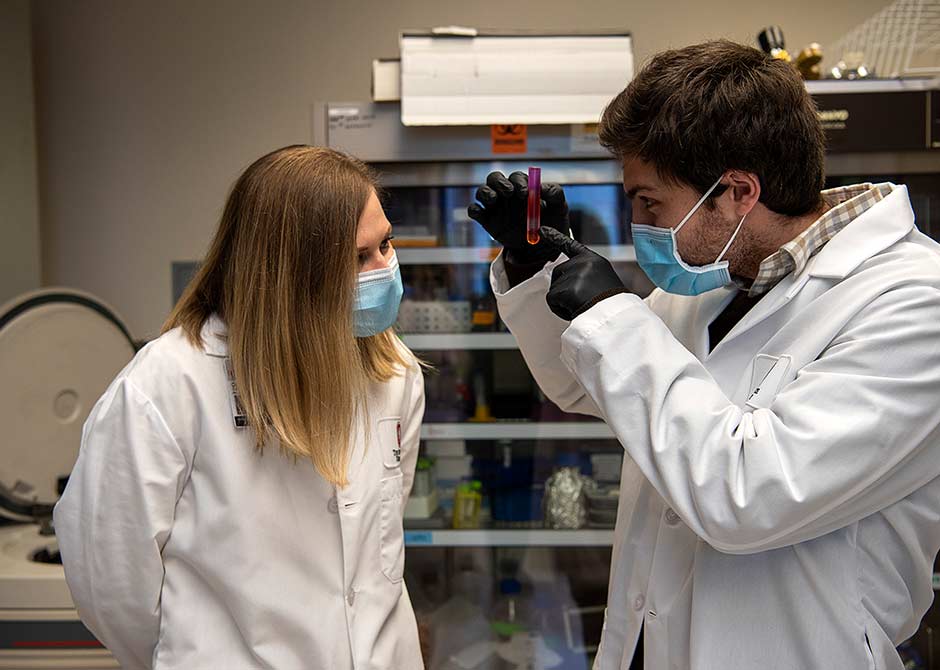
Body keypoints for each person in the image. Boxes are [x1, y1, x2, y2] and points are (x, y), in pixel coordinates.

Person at [468, 40, 940, 670]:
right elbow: (590, 387)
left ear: (738, 192)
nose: (639, 226)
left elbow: (747, 494)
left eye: (649, 203)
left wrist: (612, 319)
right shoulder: (716, 279)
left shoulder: (913, 305)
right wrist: (536, 269)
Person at [54, 146, 426, 669]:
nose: (385, 269)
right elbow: (111, 584)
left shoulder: (394, 371)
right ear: (291, 273)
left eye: (386, 244)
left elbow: (379, 548)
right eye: (359, 257)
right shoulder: (169, 383)